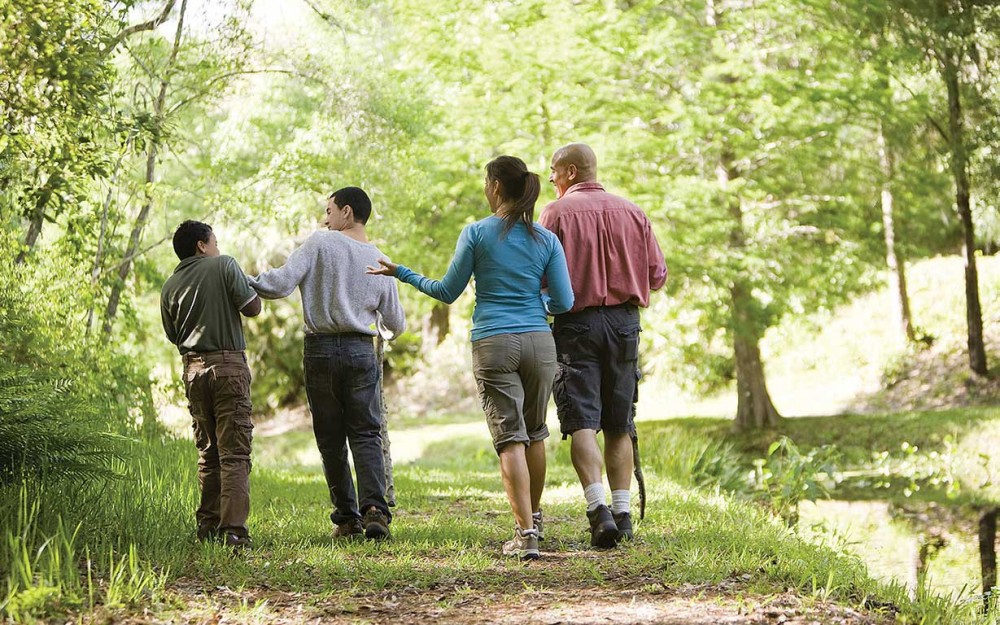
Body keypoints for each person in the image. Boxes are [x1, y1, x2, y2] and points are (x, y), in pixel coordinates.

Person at [368, 155, 574, 561]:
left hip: (494, 341)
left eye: (486, 181)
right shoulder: (546, 239)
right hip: (538, 340)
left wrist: (402, 273)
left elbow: (447, 291)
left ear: (496, 187)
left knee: (510, 438)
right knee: (535, 433)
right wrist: (536, 300)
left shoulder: (477, 233)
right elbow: (564, 301)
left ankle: (525, 534)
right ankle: (535, 518)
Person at [250, 187, 405, 541]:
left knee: (331, 439)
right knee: (367, 432)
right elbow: (396, 324)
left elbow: (280, 284)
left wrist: (241, 281)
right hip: (361, 351)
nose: (325, 218)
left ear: (347, 212)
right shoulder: (380, 258)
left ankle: (347, 519)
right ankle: (375, 510)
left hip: (319, 350)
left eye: (329, 210)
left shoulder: (320, 243)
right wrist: (376, 326)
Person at [538, 143, 667, 549]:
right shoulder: (633, 211)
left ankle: (598, 512)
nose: (551, 180)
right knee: (619, 422)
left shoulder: (555, 213)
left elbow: (538, 273)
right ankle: (623, 513)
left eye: (554, 172)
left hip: (576, 324)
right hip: (626, 325)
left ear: (571, 171)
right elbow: (658, 275)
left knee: (581, 421)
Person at [160, 220, 262, 549]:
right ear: (202, 246)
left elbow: (173, 335)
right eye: (214, 241)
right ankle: (233, 531)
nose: (217, 246)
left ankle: (206, 527)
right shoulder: (224, 265)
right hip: (228, 366)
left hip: (192, 371)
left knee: (209, 454)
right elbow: (253, 308)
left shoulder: (170, 285)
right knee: (234, 452)